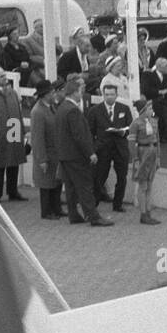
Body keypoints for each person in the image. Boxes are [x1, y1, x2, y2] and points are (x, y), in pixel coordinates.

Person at [55, 75, 111, 226]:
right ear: (74, 92)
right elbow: (79, 135)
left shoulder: (62, 108)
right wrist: (90, 153)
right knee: (85, 185)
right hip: (76, 156)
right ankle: (93, 216)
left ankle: (73, 214)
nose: (81, 94)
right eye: (80, 91)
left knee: (71, 186)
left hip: (65, 154)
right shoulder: (72, 110)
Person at [89, 79, 132, 212]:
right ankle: (93, 205)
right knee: (99, 178)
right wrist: (93, 149)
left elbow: (130, 127)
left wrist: (123, 132)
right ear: (103, 95)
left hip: (120, 148)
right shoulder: (95, 110)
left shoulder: (124, 109)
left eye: (112, 94)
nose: (109, 97)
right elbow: (90, 132)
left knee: (122, 177)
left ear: (116, 95)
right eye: (107, 94)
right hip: (103, 149)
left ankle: (117, 204)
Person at [0, 69, 25, 200]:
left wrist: (22, 130)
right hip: (0, 132)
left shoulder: (12, 92)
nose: (4, 77)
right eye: (0, 76)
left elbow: (19, 112)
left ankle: (12, 191)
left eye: (4, 75)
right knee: (0, 164)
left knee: (14, 161)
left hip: (14, 129)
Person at [30, 80, 65, 219]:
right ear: (45, 94)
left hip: (55, 152)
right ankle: (46, 211)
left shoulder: (51, 107)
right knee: (46, 183)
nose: (54, 95)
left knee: (56, 182)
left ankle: (57, 208)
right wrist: (42, 159)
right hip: (47, 152)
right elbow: (37, 138)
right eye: (52, 93)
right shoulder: (38, 111)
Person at [130, 95, 161, 225]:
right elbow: (131, 143)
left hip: (152, 152)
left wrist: (158, 157)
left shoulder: (154, 122)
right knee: (143, 185)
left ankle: (148, 211)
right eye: (149, 108)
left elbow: (158, 140)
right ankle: (143, 213)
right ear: (143, 110)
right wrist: (135, 158)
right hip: (143, 152)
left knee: (150, 184)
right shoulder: (136, 124)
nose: (151, 110)